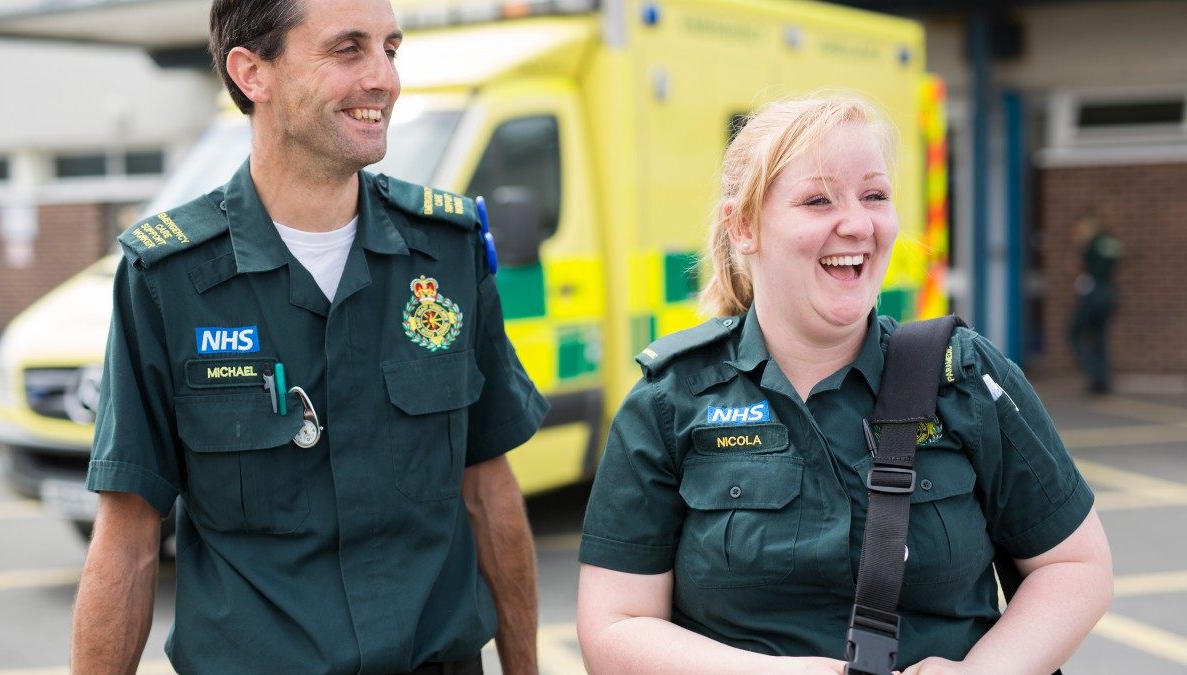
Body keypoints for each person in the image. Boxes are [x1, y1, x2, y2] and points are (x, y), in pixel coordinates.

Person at [70, 0, 548, 673]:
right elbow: (128, 541)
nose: (384, 78)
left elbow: (488, 493)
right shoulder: (167, 278)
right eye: (348, 49)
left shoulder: (446, 251)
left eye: (390, 49)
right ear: (251, 73)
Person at [576, 95, 1112, 674]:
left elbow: (1074, 565)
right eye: (818, 200)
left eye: (875, 196)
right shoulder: (671, 399)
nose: (858, 224)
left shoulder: (963, 377)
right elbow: (614, 626)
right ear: (744, 226)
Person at [1067, 216, 1123, 394]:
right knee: (1100, 336)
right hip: (1109, 292)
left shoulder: (1090, 243)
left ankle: (1094, 372)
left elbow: (1080, 266)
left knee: (1073, 332)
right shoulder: (1111, 241)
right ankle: (1102, 380)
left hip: (1093, 293)